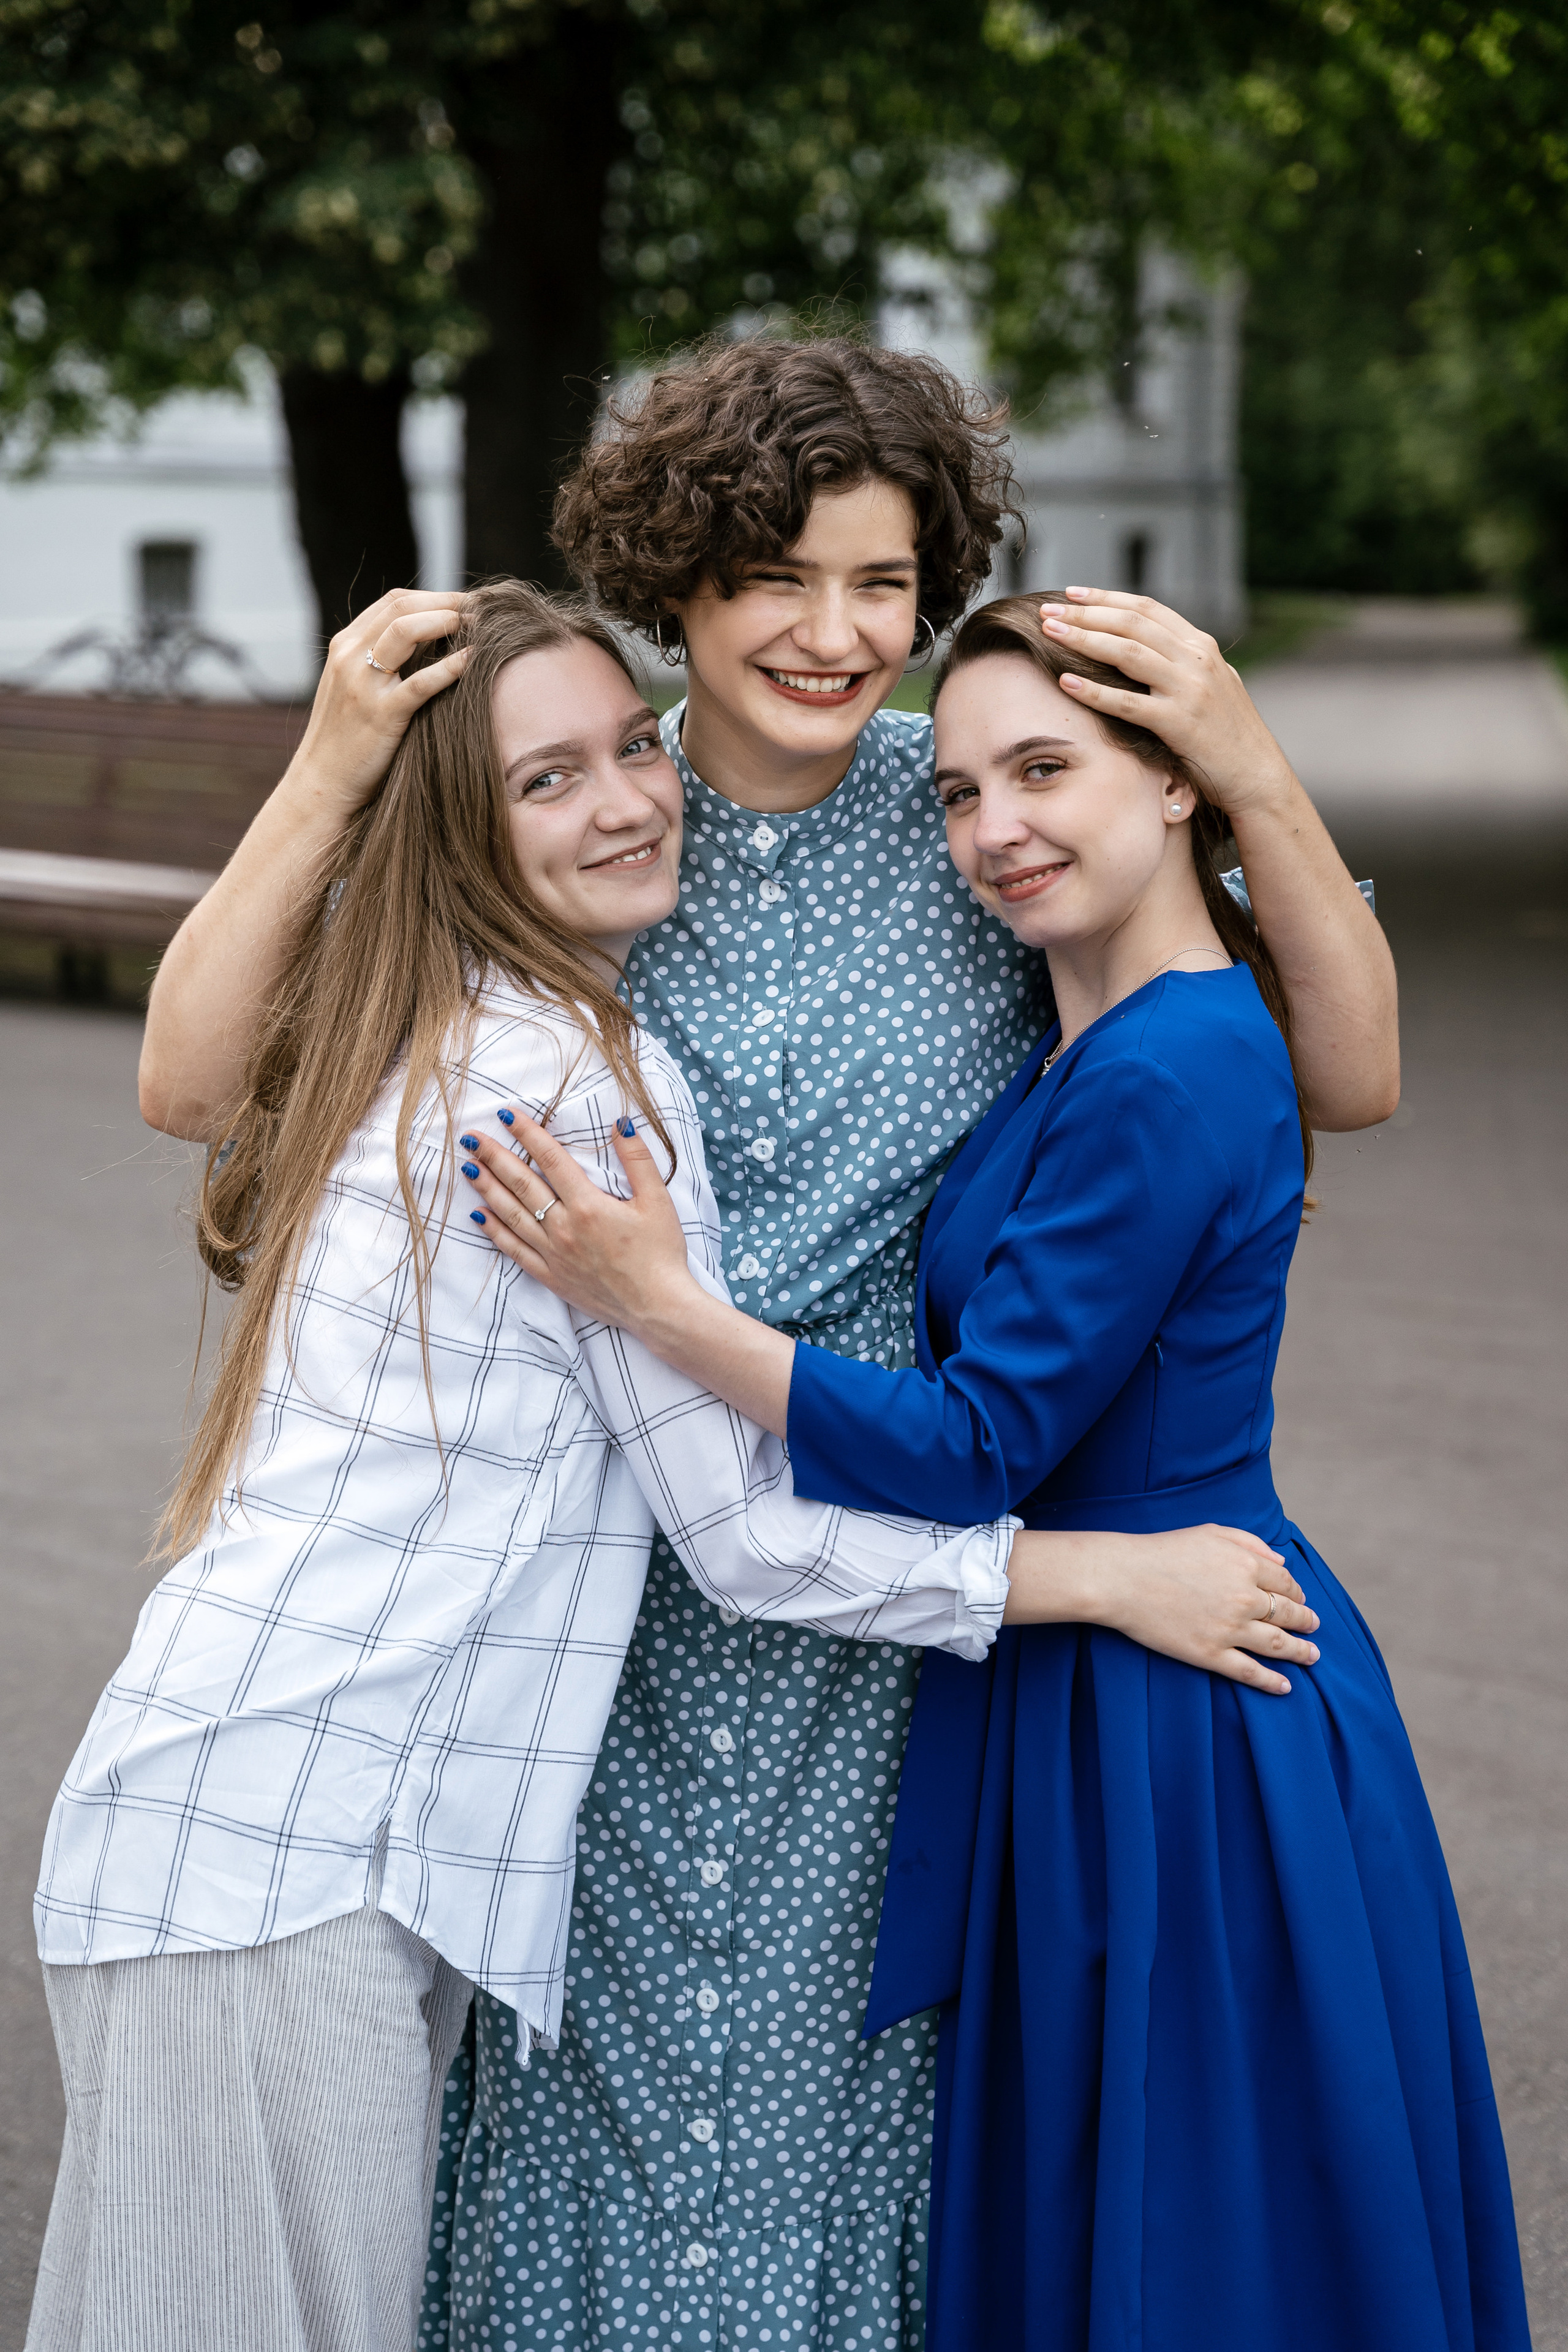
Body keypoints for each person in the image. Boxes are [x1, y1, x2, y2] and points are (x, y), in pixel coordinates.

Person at [136, 333, 1398, 2352]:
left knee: (852, 2124)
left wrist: (1243, 759)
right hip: (605, 1611)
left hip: (905, 1614)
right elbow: (198, 1081)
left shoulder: (976, 810)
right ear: (680, 588)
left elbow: (1334, 1070)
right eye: (771, 581)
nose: (833, 636)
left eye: (883, 585)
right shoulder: (586, 812)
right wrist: (329, 771)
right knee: (587, 2114)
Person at [32, 579, 1163, 2352]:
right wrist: (1096, 1576)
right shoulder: (561, 1082)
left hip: (252, 1844)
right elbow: (747, 1541)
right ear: (462, 835)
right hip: (271, 1853)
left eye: (632, 748)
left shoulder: (458, 1014)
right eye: (546, 782)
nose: (632, 800)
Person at [461, 590, 1528, 2352]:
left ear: (1181, 785)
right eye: (959, 793)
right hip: (1082, 1668)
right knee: (1138, 2208)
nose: (994, 830)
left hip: (1174, 1705)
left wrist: (662, 1306)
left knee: (1201, 2235)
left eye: (1046, 771)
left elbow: (974, 1443)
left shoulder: (1166, 1062)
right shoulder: (1089, 1029)